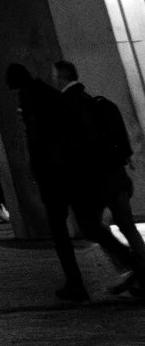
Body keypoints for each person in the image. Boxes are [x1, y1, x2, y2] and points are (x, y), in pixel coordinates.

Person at [55, 60, 145, 293]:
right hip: (116, 175)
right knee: (127, 225)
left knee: (93, 227)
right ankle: (141, 273)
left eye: (54, 76)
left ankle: (132, 268)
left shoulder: (65, 106)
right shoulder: (99, 102)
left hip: (94, 180)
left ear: (61, 77)